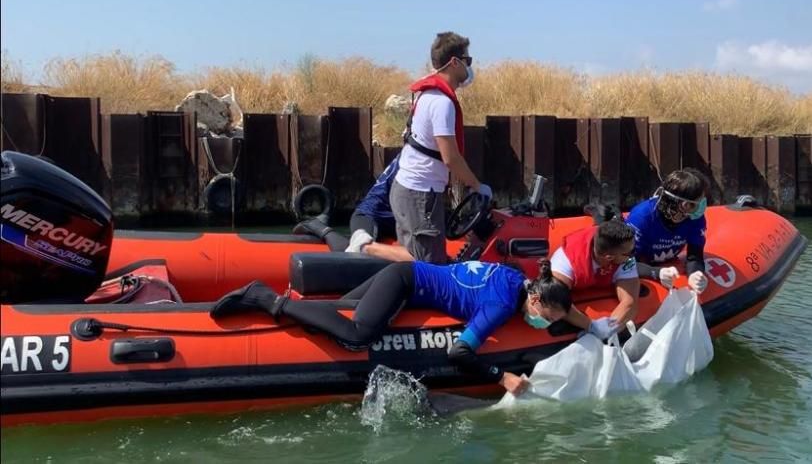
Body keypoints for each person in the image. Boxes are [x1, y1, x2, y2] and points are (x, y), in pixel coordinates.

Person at [210, 259, 571, 395]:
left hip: (406, 275)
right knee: (356, 337)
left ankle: (272, 303)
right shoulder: (501, 305)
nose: (544, 325)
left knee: (338, 315)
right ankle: (268, 299)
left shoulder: (517, 278)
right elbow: (459, 351)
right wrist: (502, 377)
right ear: (536, 301)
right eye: (548, 318)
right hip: (405, 284)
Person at [364, 32, 491, 264]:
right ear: (454, 63)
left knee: (423, 261)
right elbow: (450, 157)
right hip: (420, 194)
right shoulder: (442, 103)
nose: (470, 68)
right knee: (428, 263)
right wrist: (477, 186)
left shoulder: (426, 95)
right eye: (468, 61)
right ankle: (366, 247)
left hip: (410, 189)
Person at [546, 219, 640, 340]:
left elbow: (630, 303)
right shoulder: (565, 260)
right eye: (630, 252)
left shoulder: (625, 258)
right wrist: (590, 326)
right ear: (609, 257)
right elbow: (555, 301)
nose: (633, 254)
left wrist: (608, 329)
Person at [625, 168, 710, 293]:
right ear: (685, 205)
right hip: (643, 261)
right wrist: (656, 272)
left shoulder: (695, 218)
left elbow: (695, 255)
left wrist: (695, 274)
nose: (703, 205)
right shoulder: (642, 218)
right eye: (699, 201)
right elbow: (625, 263)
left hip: (667, 260)